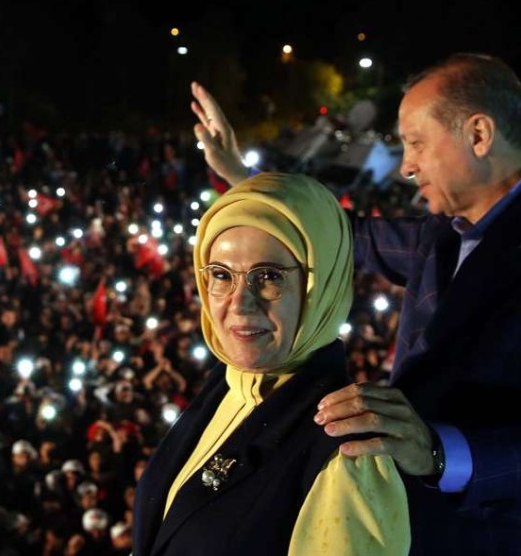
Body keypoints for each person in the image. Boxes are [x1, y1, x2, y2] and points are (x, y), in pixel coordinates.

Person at [190, 53, 521, 554]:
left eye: (415, 144)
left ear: (478, 134)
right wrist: (244, 177)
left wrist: (439, 452)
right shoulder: (445, 230)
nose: (406, 166)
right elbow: (342, 236)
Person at [132, 172, 409, 555]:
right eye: (220, 275)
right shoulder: (227, 384)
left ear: (320, 286)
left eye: (268, 277)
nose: (240, 302)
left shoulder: (348, 453)